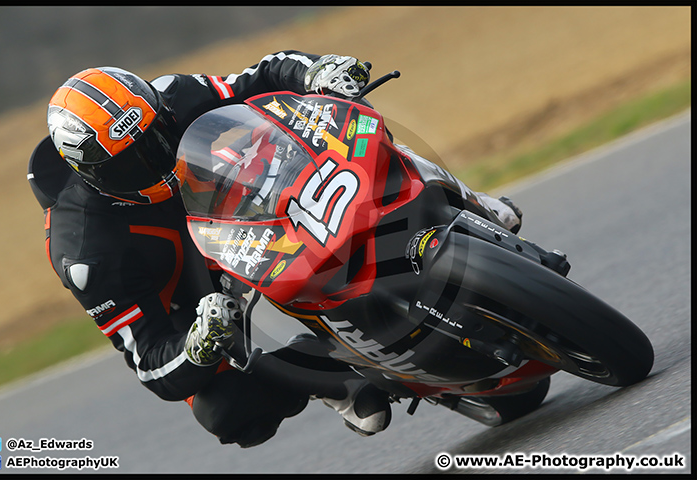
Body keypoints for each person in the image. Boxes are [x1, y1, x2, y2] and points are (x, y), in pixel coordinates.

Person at [28, 51, 523, 448]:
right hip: (190, 274)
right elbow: (150, 362)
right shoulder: (84, 251)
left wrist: (317, 70)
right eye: (130, 162)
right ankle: (335, 378)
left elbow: (262, 75)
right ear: (91, 174)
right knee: (230, 410)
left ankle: (466, 199)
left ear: (156, 108)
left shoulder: (172, 94)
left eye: (156, 136)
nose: (154, 159)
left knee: (349, 123)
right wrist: (198, 343)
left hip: (237, 189)